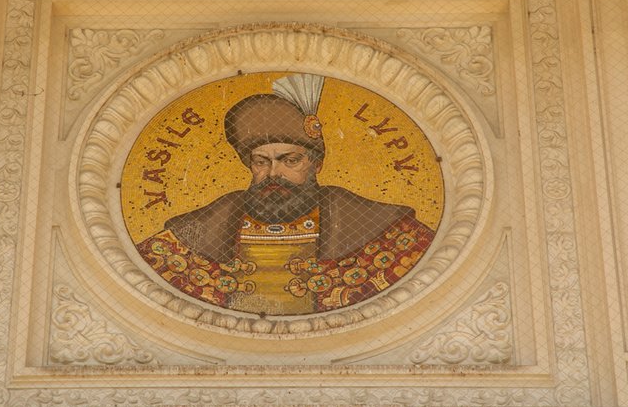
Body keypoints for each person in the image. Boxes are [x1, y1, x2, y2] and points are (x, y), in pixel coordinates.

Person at [136, 75, 435, 315]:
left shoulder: (374, 226)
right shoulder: (205, 225)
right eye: (261, 162)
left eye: (290, 161)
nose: (273, 173)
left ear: (316, 164)